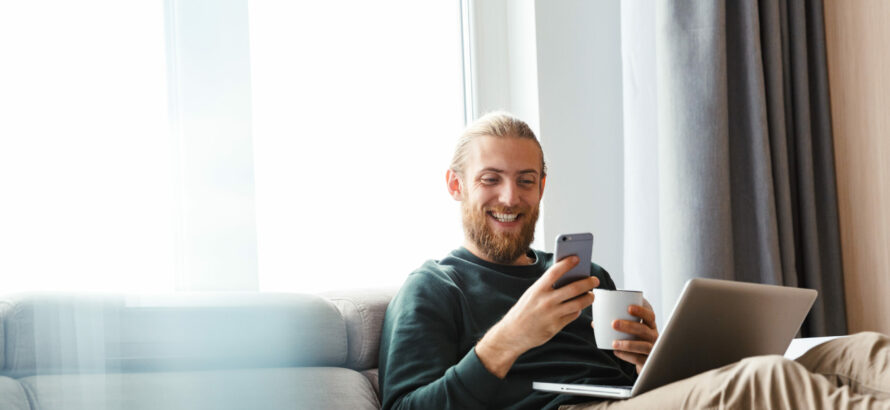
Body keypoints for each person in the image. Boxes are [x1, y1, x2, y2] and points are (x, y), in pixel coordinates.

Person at [378, 112, 890, 410]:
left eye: (526, 180)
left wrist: (652, 358)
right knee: (768, 380)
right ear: (456, 185)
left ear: (541, 186)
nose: (510, 197)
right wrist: (509, 338)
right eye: (491, 179)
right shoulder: (434, 287)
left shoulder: (585, 277)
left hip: (628, 402)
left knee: (857, 352)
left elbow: (634, 388)